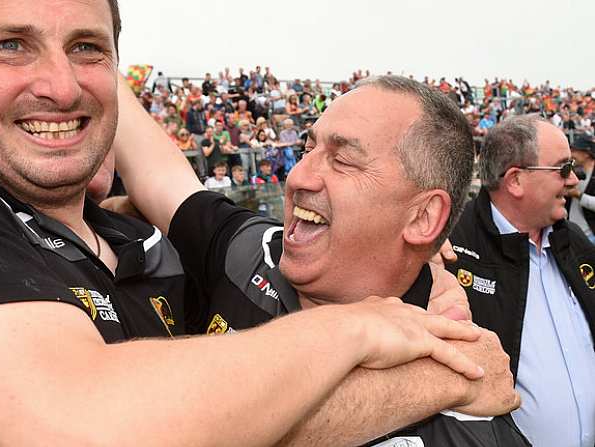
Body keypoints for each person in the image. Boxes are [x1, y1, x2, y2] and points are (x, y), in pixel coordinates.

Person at [0, 3, 510, 446]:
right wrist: (392, 352)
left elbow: (136, 145)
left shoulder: (149, 247)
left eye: (87, 47)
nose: (297, 174)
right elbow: (88, 426)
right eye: (9, 44)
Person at [113, 74, 525, 445]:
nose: (298, 177)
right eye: (308, 148)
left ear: (422, 217)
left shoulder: (470, 412)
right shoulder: (248, 249)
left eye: (343, 160)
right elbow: (155, 169)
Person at [447, 114, 595, 447]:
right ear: (515, 180)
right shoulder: (452, 251)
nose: (573, 180)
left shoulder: (573, 241)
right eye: (562, 168)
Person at [566, 136, 595, 243]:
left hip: (590, 235)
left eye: (574, 150)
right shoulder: (572, 171)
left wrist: (578, 195)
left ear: (587, 153)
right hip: (573, 233)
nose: (571, 154)